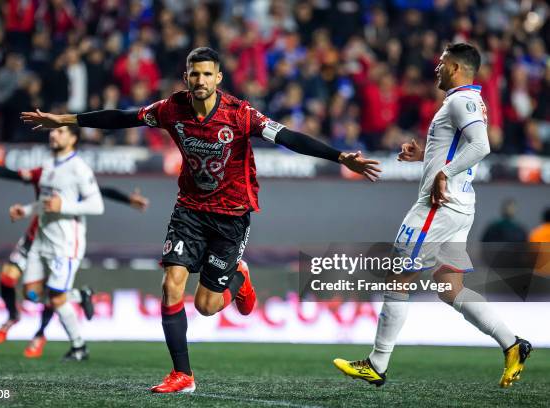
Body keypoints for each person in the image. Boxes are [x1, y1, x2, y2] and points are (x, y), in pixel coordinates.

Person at [21, 47, 381, 391]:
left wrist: (339, 157)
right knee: (171, 284)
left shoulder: (241, 114)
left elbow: (288, 137)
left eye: (207, 74)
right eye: (194, 74)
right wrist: (65, 119)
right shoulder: (170, 109)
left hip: (231, 215)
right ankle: (182, 374)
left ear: (218, 77)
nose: (200, 80)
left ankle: (239, 278)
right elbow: (123, 117)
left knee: (208, 306)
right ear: (186, 77)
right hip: (189, 210)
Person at [333, 43, 531, 388]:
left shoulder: (460, 100)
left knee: (399, 276)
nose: (436, 68)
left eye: (441, 63)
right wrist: (426, 157)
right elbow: (460, 146)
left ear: (455, 67)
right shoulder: (466, 100)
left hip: (438, 206)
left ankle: (377, 363)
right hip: (459, 206)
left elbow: (481, 145)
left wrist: (443, 173)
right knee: (450, 288)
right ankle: (512, 344)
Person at [0, 147, 149, 358]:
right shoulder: (42, 173)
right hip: (34, 238)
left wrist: (127, 200)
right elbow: (10, 174)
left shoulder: (74, 176)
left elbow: (100, 192)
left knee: (50, 292)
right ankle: (20, 314)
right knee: (15, 283)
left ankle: (43, 333)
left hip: (58, 243)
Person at [9, 125, 104, 361]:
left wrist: (65, 206)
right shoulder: (48, 164)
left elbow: (97, 205)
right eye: (52, 131)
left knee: (57, 298)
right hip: (41, 240)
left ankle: (79, 347)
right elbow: (46, 202)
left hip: (65, 244)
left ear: (73, 138)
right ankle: (80, 295)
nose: (53, 134)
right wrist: (27, 209)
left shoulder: (79, 168)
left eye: (60, 131)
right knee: (31, 294)